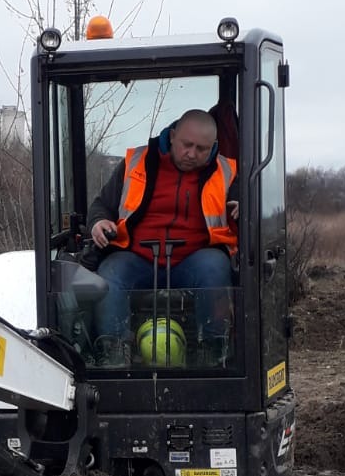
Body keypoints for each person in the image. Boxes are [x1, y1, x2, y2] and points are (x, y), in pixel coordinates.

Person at [87, 108, 238, 363]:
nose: (192, 154)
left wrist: (247, 207)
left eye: (201, 149)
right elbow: (102, 204)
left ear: (213, 146)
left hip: (194, 260)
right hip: (138, 258)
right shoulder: (136, 163)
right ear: (173, 135)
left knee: (215, 267)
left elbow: (253, 204)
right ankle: (113, 355)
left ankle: (213, 353)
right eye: (186, 145)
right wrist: (98, 221)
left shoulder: (227, 172)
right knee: (110, 274)